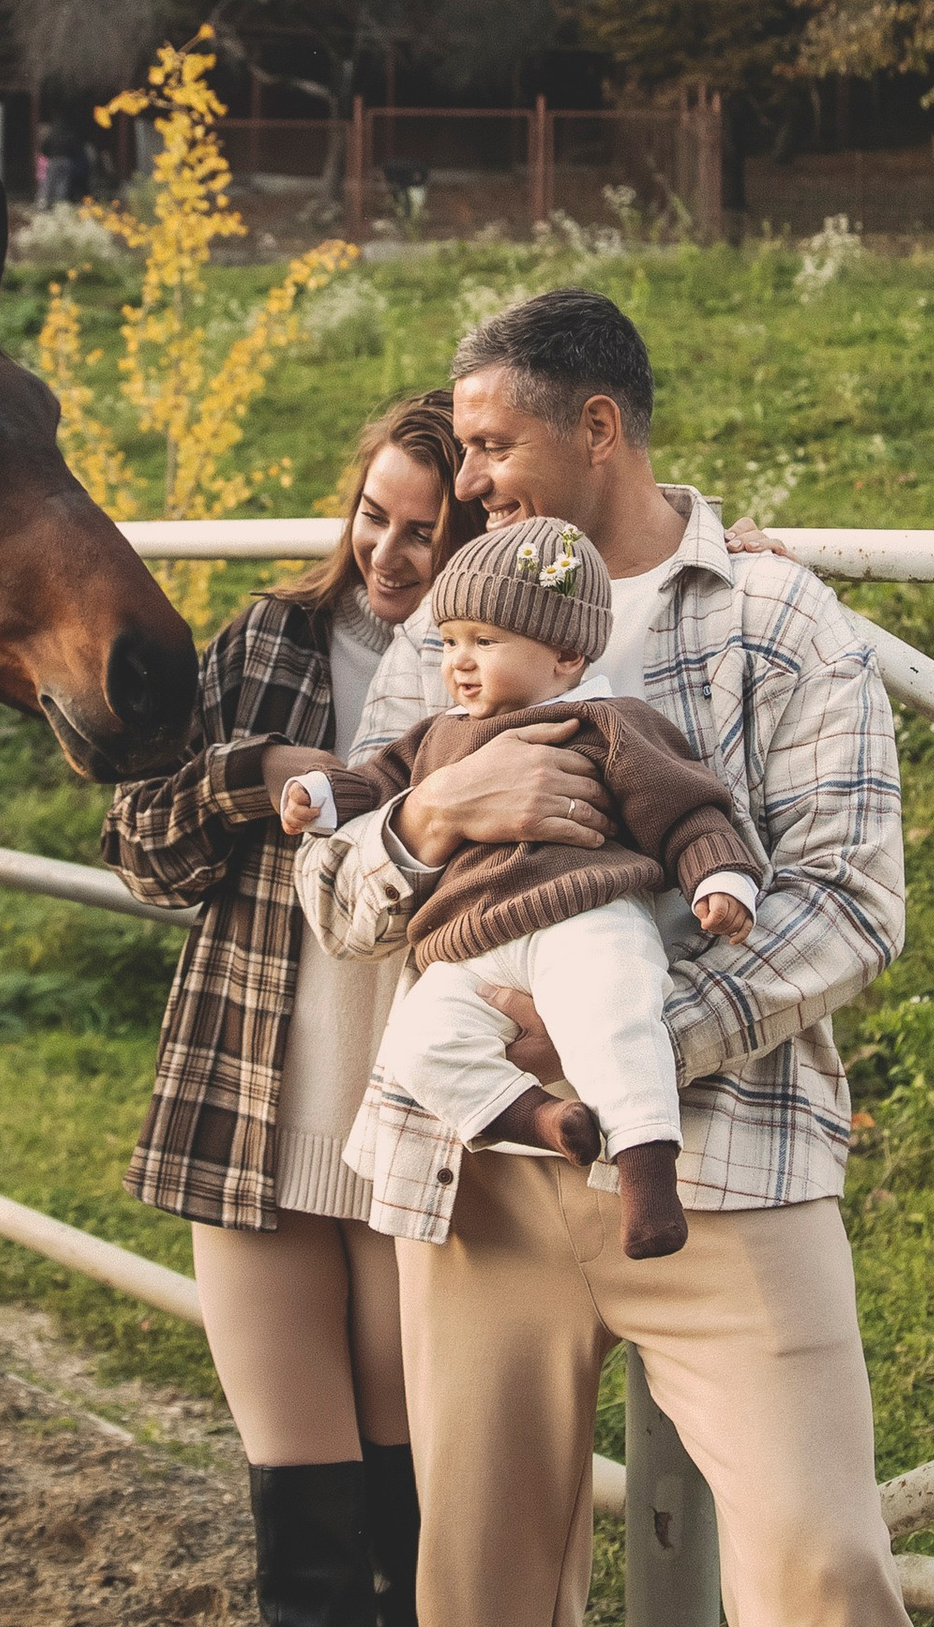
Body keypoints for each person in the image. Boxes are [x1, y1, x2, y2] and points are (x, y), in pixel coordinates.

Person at [296, 286, 934, 1627]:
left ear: (598, 429)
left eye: (491, 440)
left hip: (725, 1170)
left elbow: (845, 905)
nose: (456, 474)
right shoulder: (438, 633)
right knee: (479, 1570)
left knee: (824, 1558)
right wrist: (426, 806)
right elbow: (332, 880)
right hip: (479, 1187)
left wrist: (631, 1054)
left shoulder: (776, 623)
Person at [101, 390, 481, 1627]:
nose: (394, 555)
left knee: (403, 1485)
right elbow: (138, 845)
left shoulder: (489, 674)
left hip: (409, 1118)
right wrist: (253, 781)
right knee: (297, 1478)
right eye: (380, 518)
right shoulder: (263, 641)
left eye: (431, 532)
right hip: (249, 1101)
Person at [280, 520, 762, 1258]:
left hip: (586, 915)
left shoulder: (606, 724)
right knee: (419, 1041)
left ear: (567, 653)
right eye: (450, 642)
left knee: (611, 1018)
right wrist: (322, 793)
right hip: (474, 941)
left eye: (485, 641)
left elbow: (687, 809)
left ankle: (647, 1176)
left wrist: (721, 876)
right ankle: (539, 1119)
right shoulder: (440, 735)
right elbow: (376, 781)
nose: (459, 664)